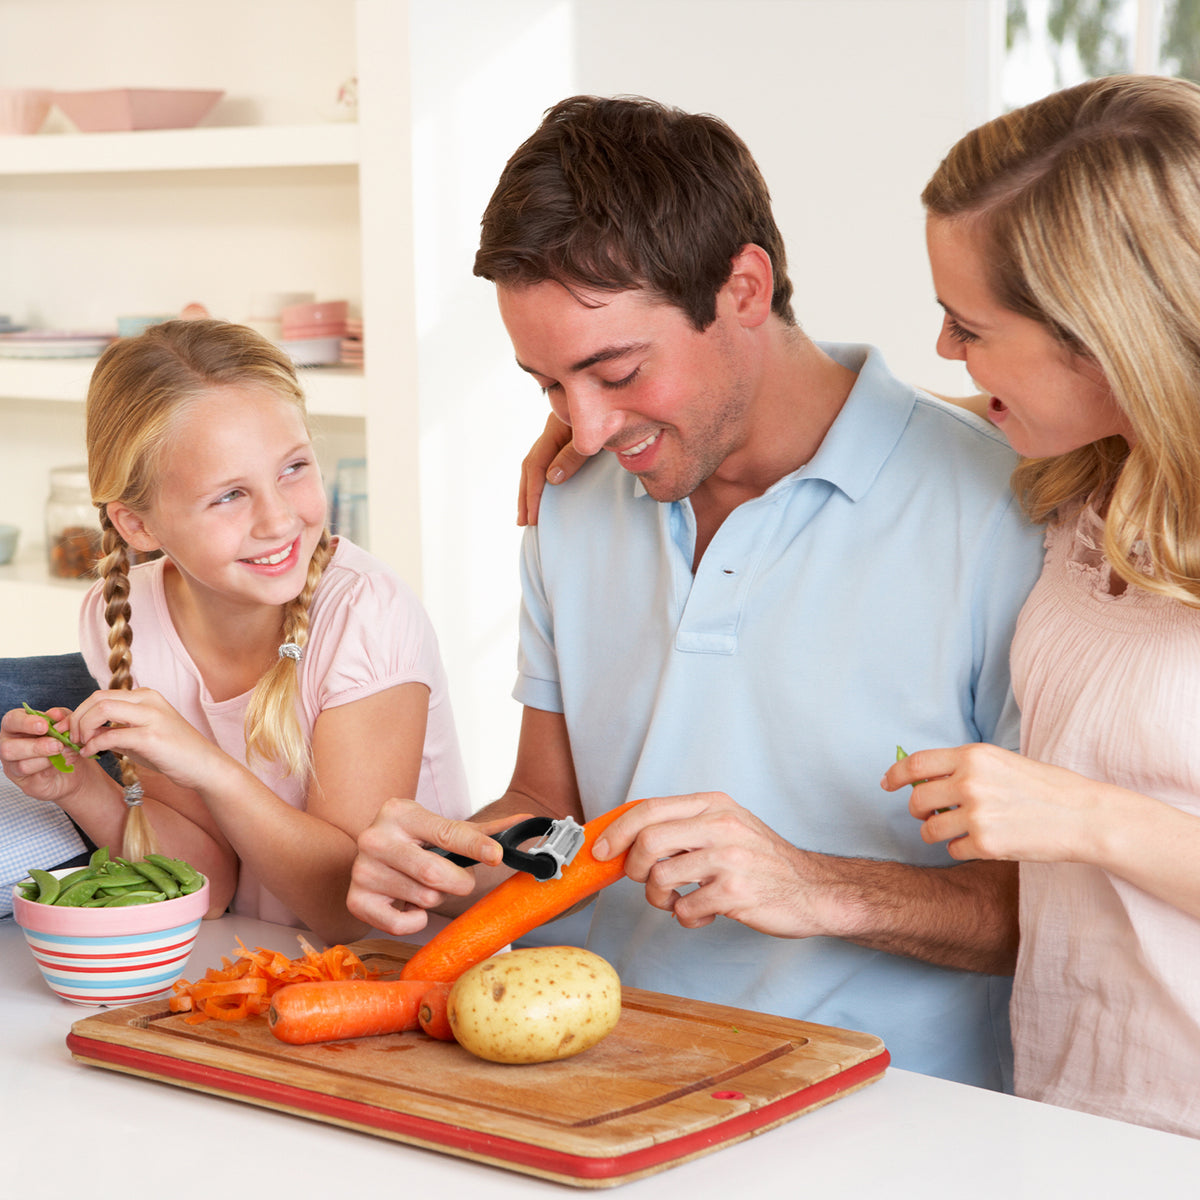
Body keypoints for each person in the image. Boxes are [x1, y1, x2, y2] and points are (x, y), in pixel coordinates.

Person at [347, 95, 1047, 1090]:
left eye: (617, 370)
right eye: (549, 387)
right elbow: (557, 811)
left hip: (889, 1114)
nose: (584, 429)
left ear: (746, 288)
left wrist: (815, 887)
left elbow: (1054, 915)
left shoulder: (998, 510)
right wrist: (461, 865)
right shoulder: (572, 500)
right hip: (600, 1083)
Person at [879, 74, 1200, 1139]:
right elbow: (882, 408)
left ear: (1103, 336)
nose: (944, 351)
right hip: (1072, 1106)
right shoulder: (1096, 470)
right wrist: (644, 413)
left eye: (967, 324)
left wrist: (1082, 816)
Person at [0, 319, 471, 944]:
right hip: (258, 966)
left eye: (294, 467)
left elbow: (351, 911)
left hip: (405, 976)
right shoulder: (122, 617)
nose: (278, 520)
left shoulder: (365, 613)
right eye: (228, 496)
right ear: (137, 525)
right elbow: (210, 885)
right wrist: (81, 786)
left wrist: (207, 767)